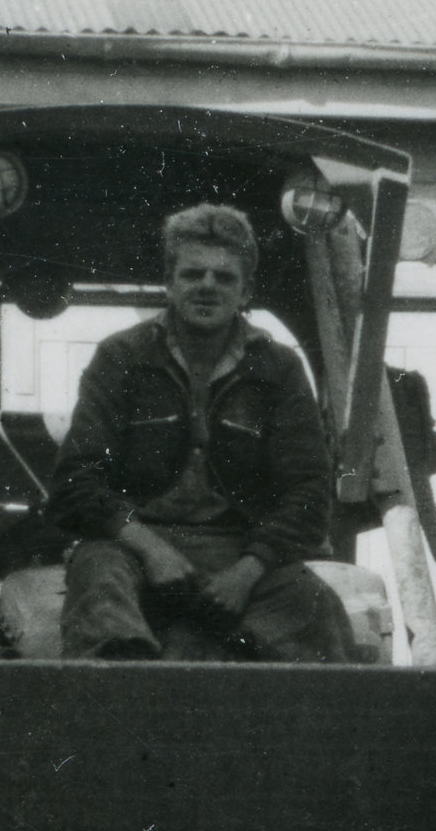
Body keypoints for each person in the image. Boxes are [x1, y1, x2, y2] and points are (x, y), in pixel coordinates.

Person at [43, 203, 358, 663]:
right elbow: (75, 481)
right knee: (99, 580)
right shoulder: (121, 358)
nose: (208, 286)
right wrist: (153, 552)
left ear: (246, 289)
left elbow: (308, 493)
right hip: (132, 545)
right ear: (169, 283)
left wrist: (247, 572)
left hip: (241, 550)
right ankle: (120, 699)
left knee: (319, 611)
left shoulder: (279, 369)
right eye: (193, 274)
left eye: (224, 277)